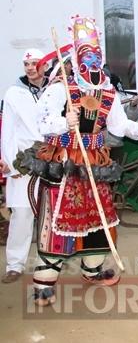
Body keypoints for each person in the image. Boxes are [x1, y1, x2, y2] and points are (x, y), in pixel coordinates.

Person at [26, 16, 138, 306]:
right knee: (60, 218)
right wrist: (64, 121)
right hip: (65, 162)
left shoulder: (108, 92)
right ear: (76, 59)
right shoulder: (61, 88)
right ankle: (44, 279)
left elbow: (121, 128)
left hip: (95, 163)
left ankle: (92, 269)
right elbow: (40, 122)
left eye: (97, 56)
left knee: (100, 218)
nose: (93, 62)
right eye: (87, 57)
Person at [0, 49, 48, 283]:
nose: (30, 68)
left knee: (52, 212)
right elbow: (7, 132)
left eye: (35, 63)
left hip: (52, 158)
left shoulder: (56, 90)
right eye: (26, 63)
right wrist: (11, 164)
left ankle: (48, 261)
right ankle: (15, 264)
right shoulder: (13, 94)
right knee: (22, 212)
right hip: (24, 160)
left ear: (45, 66)